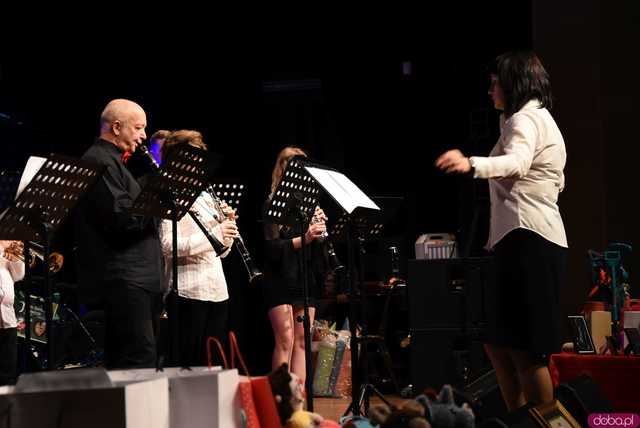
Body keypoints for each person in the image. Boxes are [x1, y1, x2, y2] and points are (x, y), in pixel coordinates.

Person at [435, 51, 567, 410]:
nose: (491, 89)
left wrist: (471, 163)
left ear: (514, 83)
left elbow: (518, 163)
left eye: (495, 82)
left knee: (524, 349)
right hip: (522, 242)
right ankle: (519, 417)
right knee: (498, 341)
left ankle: (539, 419)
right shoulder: (532, 119)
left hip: (530, 243)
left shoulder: (526, 120)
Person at [75, 99, 164, 369]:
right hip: (127, 280)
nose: (143, 135)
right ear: (116, 127)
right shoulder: (97, 160)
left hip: (141, 279)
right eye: (138, 127)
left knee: (142, 357)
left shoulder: (116, 164)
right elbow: (122, 219)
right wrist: (157, 188)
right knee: (138, 359)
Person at [157, 130, 239, 366]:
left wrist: (228, 231)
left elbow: (222, 252)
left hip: (217, 289)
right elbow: (166, 245)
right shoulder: (169, 194)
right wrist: (215, 235)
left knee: (212, 365)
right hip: (187, 290)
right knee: (187, 364)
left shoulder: (206, 196)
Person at [263, 146, 328, 386]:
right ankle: (280, 400)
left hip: (304, 275)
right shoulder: (272, 205)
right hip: (280, 277)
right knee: (285, 339)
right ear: (283, 169)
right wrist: (306, 237)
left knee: (303, 340)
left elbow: (317, 250)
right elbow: (272, 248)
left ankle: (298, 401)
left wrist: (320, 235)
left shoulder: (308, 206)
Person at [0, 240, 25, 385]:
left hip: (8, 318)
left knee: (8, 375)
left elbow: (18, 276)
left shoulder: (5, 249)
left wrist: (17, 259)